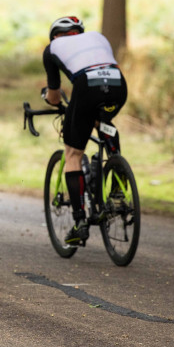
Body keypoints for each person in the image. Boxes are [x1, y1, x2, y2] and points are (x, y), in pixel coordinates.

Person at [41, 16, 127, 245]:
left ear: (55, 35)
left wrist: (50, 101)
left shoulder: (52, 49)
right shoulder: (98, 38)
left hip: (87, 86)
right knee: (103, 124)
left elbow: (54, 95)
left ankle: (79, 222)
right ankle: (118, 192)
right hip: (118, 84)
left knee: (72, 153)